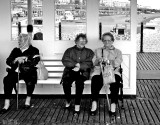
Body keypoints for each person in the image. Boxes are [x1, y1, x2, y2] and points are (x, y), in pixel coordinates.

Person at [0, 33, 40, 114]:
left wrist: (25, 59)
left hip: (29, 72)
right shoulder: (15, 50)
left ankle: (27, 101)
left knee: (30, 80)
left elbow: (35, 61)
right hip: (16, 72)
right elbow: (8, 60)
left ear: (26, 41)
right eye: (19, 41)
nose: (18, 42)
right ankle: (6, 104)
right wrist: (15, 60)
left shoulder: (34, 50)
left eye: (20, 41)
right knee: (7, 80)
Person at [90, 32, 123, 118]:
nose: (107, 42)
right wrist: (98, 60)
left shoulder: (118, 52)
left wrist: (107, 61)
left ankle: (113, 104)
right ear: (102, 41)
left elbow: (117, 63)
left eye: (109, 40)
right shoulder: (97, 50)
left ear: (112, 41)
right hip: (99, 71)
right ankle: (94, 103)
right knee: (95, 81)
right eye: (105, 40)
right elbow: (93, 63)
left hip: (113, 72)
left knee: (115, 83)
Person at [61, 33, 94, 114]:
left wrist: (80, 66)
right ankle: (68, 100)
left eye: (84, 41)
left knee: (79, 83)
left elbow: (90, 62)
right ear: (76, 41)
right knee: (66, 82)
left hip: (83, 72)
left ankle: (77, 104)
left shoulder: (89, 52)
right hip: (70, 71)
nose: (82, 42)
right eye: (80, 41)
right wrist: (75, 65)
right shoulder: (69, 50)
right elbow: (65, 60)